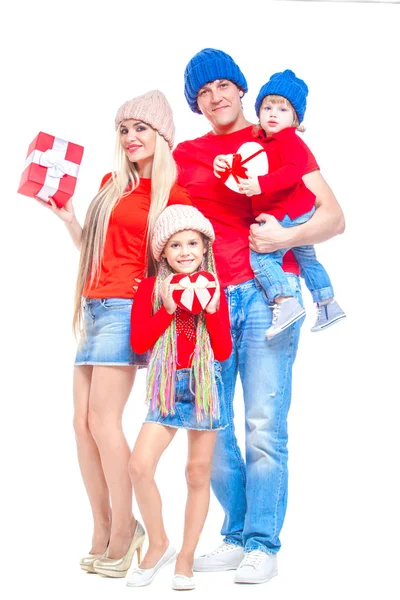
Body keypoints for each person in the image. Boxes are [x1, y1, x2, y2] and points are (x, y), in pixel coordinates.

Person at [172, 48, 345, 585]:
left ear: (242, 89)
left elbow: (335, 217)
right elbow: (163, 217)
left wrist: (286, 236)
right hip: (210, 300)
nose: (216, 96)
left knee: (264, 425)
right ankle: (236, 533)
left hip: (269, 295)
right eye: (204, 91)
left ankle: (264, 544)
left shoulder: (279, 138)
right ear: (196, 103)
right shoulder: (187, 153)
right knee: (212, 424)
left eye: (224, 85)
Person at [35, 90, 192, 577]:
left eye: (140, 128)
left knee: (103, 421)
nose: (130, 137)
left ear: (162, 135)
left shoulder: (172, 196)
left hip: (126, 308)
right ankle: (103, 528)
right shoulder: (109, 185)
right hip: (94, 304)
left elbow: (180, 264)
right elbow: (93, 252)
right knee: (81, 424)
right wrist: (69, 221)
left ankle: (127, 532)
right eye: (123, 129)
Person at [127, 204, 232, 590]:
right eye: (175, 245)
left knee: (197, 472)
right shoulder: (153, 292)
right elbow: (139, 342)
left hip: (204, 385)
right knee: (139, 465)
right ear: (164, 253)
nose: (185, 251)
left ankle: (186, 557)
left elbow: (221, 352)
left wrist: (214, 310)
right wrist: (168, 311)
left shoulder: (213, 289)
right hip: (167, 385)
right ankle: (159, 544)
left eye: (193, 243)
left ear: (205, 247)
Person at [213, 69, 346, 339]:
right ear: (259, 111)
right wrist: (224, 162)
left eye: (282, 109)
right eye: (267, 107)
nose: (273, 114)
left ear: (295, 119)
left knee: (262, 258)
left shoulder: (289, 141)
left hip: (290, 211)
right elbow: (248, 160)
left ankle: (284, 302)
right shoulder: (264, 140)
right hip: (299, 211)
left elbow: (292, 172)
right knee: (307, 259)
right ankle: (328, 304)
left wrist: (261, 185)